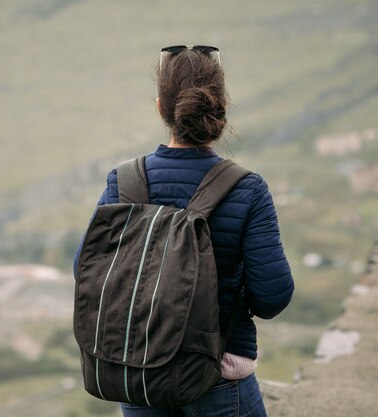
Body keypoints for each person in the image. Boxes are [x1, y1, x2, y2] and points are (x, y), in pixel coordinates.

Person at [74, 45, 294, 417]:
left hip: (139, 370)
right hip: (218, 376)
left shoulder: (123, 183)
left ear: (161, 108)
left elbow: (85, 268)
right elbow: (272, 296)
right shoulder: (246, 188)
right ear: (220, 107)